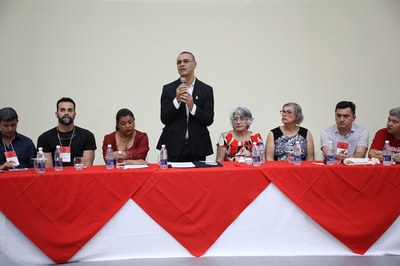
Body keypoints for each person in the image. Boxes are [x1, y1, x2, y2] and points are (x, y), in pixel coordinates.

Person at [156, 51, 214, 162]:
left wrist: (192, 106)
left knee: (197, 179)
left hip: (198, 146)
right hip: (173, 145)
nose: (182, 64)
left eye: (186, 61)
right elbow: (164, 118)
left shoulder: (206, 89)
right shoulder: (168, 89)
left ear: (195, 64)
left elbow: (209, 119)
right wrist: (177, 100)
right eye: (179, 62)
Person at [37, 97, 97, 167]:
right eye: (62, 110)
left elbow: (87, 166)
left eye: (70, 110)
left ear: (74, 114)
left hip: (79, 176)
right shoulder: (44, 138)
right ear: (56, 114)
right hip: (55, 177)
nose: (66, 113)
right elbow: (48, 169)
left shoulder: (87, 136)